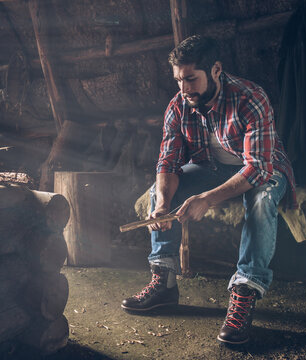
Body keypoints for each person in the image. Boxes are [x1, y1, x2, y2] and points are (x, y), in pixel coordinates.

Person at [121, 35, 297, 345]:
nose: (184, 88)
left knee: (261, 201)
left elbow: (257, 168)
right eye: (178, 80)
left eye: (191, 78)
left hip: (263, 169)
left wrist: (207, 198)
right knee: (157, 192)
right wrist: (163, 203)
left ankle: (244, 291)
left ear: (215, 70)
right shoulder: (178, 105)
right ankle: (164, 283)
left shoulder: (250, 97)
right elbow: (169, 162)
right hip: (212, 169)